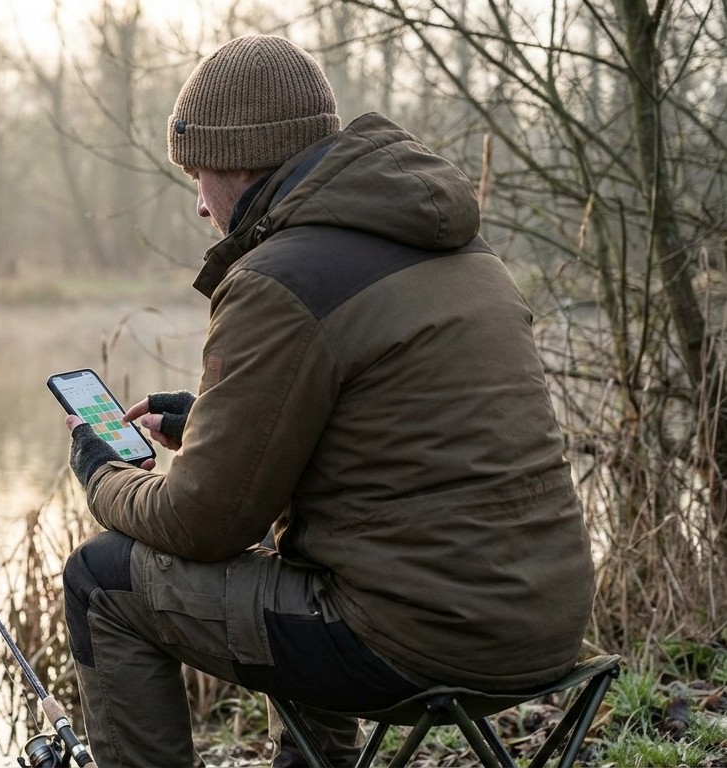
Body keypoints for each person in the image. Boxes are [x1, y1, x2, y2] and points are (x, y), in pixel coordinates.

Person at [60, 34, 595, 768]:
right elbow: (383, 434)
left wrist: (102, 474)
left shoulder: (279, 280)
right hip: (542, 625)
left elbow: (200, 525)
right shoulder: (462, 252)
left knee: (100, 579)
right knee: (303, 559)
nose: (197, 205)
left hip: (415, 644)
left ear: (240, 162)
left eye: (198, 174)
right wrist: (210, 424)